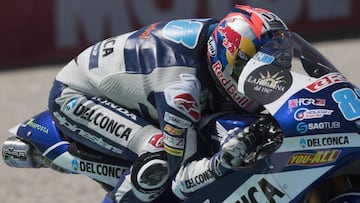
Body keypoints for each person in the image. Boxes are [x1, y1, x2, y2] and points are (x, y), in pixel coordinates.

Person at [48, 4, 287, 202]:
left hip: (139, 88)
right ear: (230, 62)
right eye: (257, 71)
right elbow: (181, 180)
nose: (268, 80)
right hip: (76, 95)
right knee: (158, 159)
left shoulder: (222, 36)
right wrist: (222, 162)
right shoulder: (180, 88)